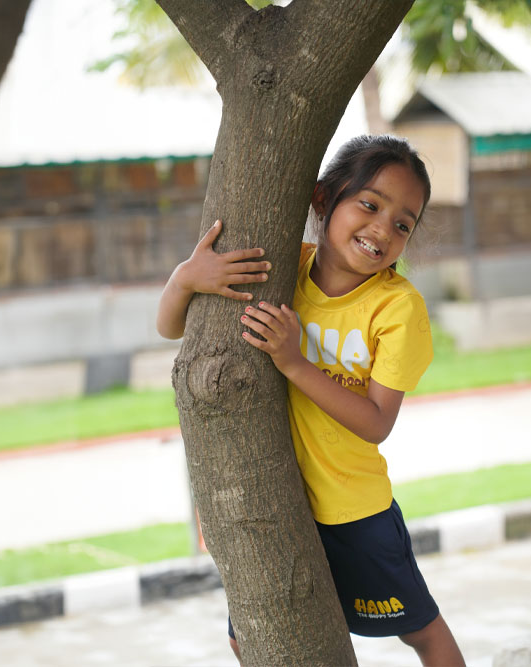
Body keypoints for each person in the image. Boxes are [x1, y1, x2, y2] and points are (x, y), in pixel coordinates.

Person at [156, 135, 465, 666]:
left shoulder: (396, 308)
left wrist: (295, 363)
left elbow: (376, 422)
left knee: (420, 631)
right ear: (323, 199)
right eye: (369, 204)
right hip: (272, 502)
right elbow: (170, 327)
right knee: (247, 636)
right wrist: (186, 277)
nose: (382, 230)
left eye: (402, 224)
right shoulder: (283, 268)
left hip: (353, 509)